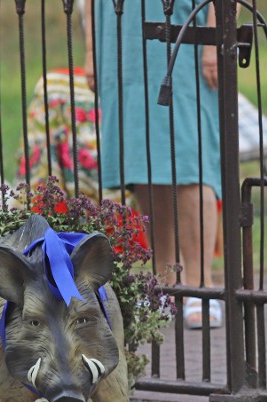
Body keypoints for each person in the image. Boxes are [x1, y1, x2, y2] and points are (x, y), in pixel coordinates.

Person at [84, 0, 223, 329]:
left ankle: (201, 286)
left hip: (186, 31)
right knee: (142, 162)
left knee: (191, 161)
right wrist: (92, 50)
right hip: (122, 36)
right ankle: (165, 283)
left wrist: (215, 39)